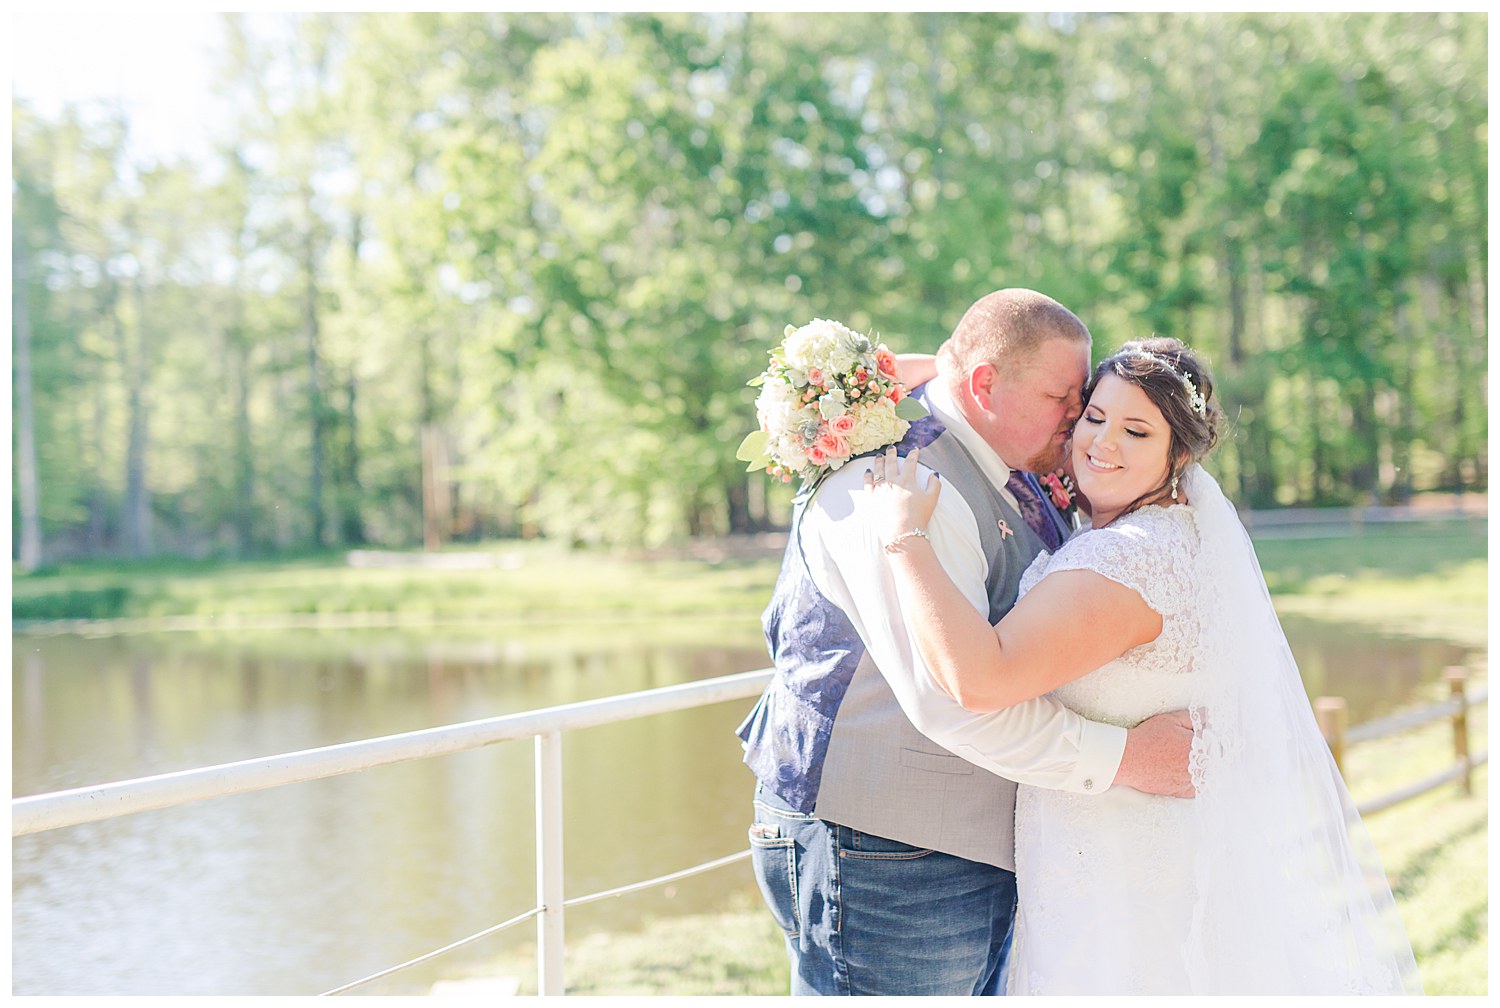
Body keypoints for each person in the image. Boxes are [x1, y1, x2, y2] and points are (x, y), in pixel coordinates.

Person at [861, 336, 1422, 994]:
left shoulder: (1126, 559)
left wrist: (902, 537)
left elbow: (979, 679)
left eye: (1136, 430)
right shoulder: (1165, 537)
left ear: (1177, 453)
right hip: (1124, 858)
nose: (1103, 443)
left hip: (1119, 882)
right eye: (1093, 418)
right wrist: (936, 368)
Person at [735, 290, 1197, 997]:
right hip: (884, 851)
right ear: (984, 384)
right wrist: (1129, 758)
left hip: (959, 850)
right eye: (1063, 396)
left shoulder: (1001, 461)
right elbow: (951, 696)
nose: (1079, 418)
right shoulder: (901, 482)